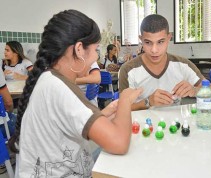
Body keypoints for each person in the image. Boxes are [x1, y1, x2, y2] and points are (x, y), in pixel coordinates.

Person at [8, 9, 142, 177]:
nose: (95, 58)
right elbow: (119, 143)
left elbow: (68, 122)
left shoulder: (50, 79)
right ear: (79, 49)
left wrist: (102, 114)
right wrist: (125, 99)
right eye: (95, 50)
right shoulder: (58, 87)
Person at [118, 14, 211, 111]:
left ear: (168, 38)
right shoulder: (128, 69)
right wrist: (148, 102)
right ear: (141, 40)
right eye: (148, 42)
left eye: (160, 42)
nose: (154, 50)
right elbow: (121, 109)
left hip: (175, 126)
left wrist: (195, 91)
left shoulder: (183, 65)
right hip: (142, 127)